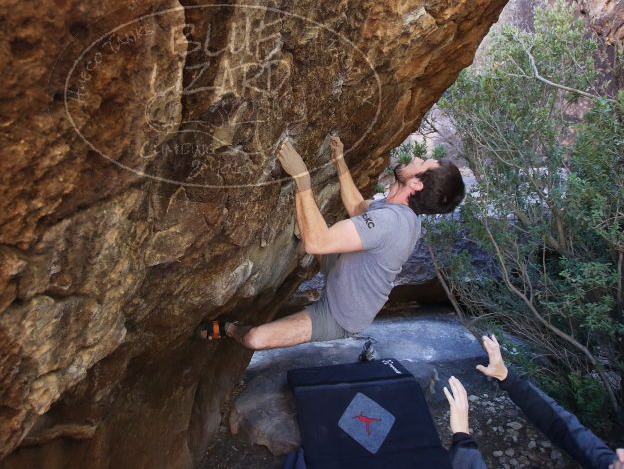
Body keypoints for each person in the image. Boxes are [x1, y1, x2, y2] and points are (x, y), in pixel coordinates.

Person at [198, 134, 465, 349]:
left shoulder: (392, 223)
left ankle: (229, 327)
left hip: (341, 314)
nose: (417, 157)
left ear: (417, 184)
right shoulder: (400, 211)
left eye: (423, 162)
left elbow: (317, 243)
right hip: (342, 269)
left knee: (254, 339)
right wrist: (339, 160)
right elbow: (359, 207)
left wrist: (302, 178)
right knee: (306, 227)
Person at [444, 334, 624, 469]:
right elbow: (561, 426)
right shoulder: (607, 463)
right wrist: (507, 377)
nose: (621, 452)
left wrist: (462, 439)